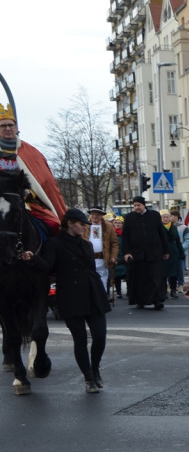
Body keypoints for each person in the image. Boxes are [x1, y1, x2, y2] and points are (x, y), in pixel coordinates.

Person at [21, 209, 110, 393]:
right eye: (81, 224)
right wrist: (33, 259)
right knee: (80, 340)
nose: (85, 227)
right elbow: (48, 266)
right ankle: (88, 378)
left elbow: (91, 269)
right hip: (70, 295)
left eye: (86, 224)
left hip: (93, 294)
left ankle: (95, 369)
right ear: (69, 223)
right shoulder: (54, 244)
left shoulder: (86, 245)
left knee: (100, 336)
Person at [0, 104, 68, 235]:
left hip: (29, 205)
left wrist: (29, 194)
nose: (8, 129)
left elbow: (45, 183)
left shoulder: (32, 153)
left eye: (11, 125)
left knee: (53, 225)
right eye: (3, 126)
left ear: (16, 128)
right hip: (2, 203)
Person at [121, 196, 169, 310]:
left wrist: (166, 250)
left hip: (154, 253)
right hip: (137, 254)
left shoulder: (154, 215)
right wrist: (126, 252)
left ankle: (157, 301)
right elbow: (125, 237)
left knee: (155, 278)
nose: (137, 208)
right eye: (135, 206)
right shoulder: (129, 218)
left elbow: (161, 233)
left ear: (144, 205)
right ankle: (140, 301)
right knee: (139, 279)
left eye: (139, 205)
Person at [87, 207, 118, 300]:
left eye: (97, 214)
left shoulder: (108, 226)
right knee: (89, 280)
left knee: (102, 280)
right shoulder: (85, 225)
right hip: (88, 259)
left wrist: (113, 256)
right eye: (92, 214)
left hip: (102, 258)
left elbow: (114, 243)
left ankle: (101, 300)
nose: (94, 216)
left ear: (101, 216)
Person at [160, 209, 185, 299]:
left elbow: (178, 241)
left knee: (174, 273)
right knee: (163, 273)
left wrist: (181, 253)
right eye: (163, 217)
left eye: (167, 217)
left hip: (174, 252)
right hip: (163, 253)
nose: (166, 219)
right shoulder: (159, 227)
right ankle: (164, 291)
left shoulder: (173, 227)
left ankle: (173, 290)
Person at [111, 216, 127, 299]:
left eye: (119, 223)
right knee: (116, 276)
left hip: (124, 256)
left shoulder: (125, 234)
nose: (117, 224)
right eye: (116, 222)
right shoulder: (111, 233)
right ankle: (118, 291)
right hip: (115, 256)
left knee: (126, 274)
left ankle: (129, 290)